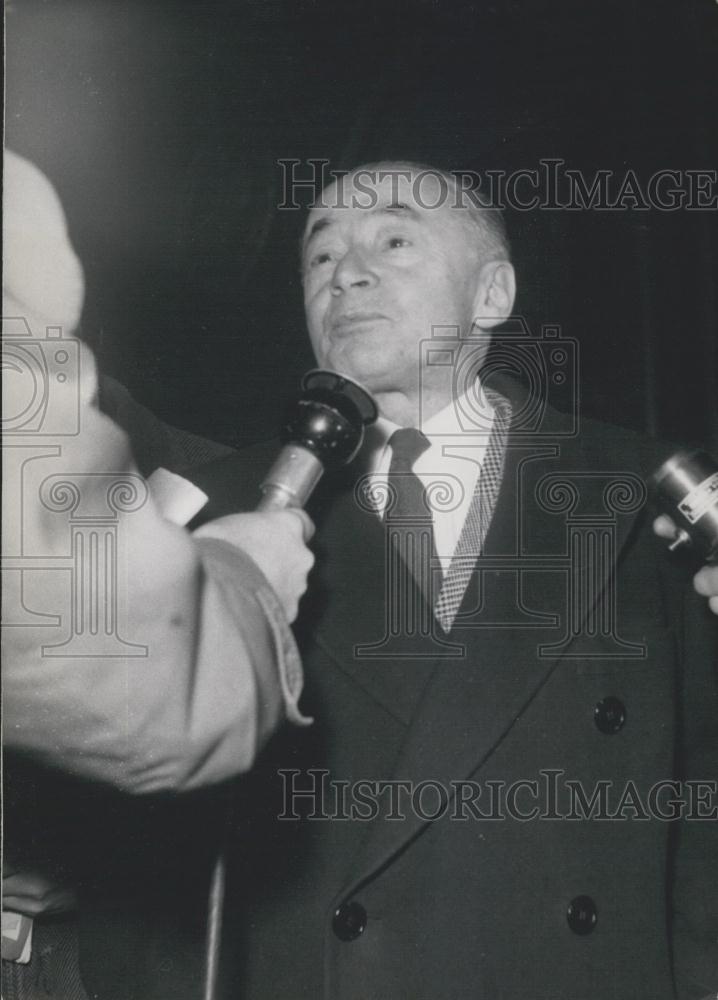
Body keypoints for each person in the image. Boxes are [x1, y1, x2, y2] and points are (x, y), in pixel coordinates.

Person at [184, 162, 718, 1000]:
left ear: (492, 294)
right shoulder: (216, 512)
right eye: (320, 255)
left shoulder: (647, 492)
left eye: (394, 240)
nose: (346, 274)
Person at [2, 150, 314, 999]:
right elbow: (146, 689)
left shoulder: (205, 467)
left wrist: (90, 867)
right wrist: (245, 577)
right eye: (322, 250)